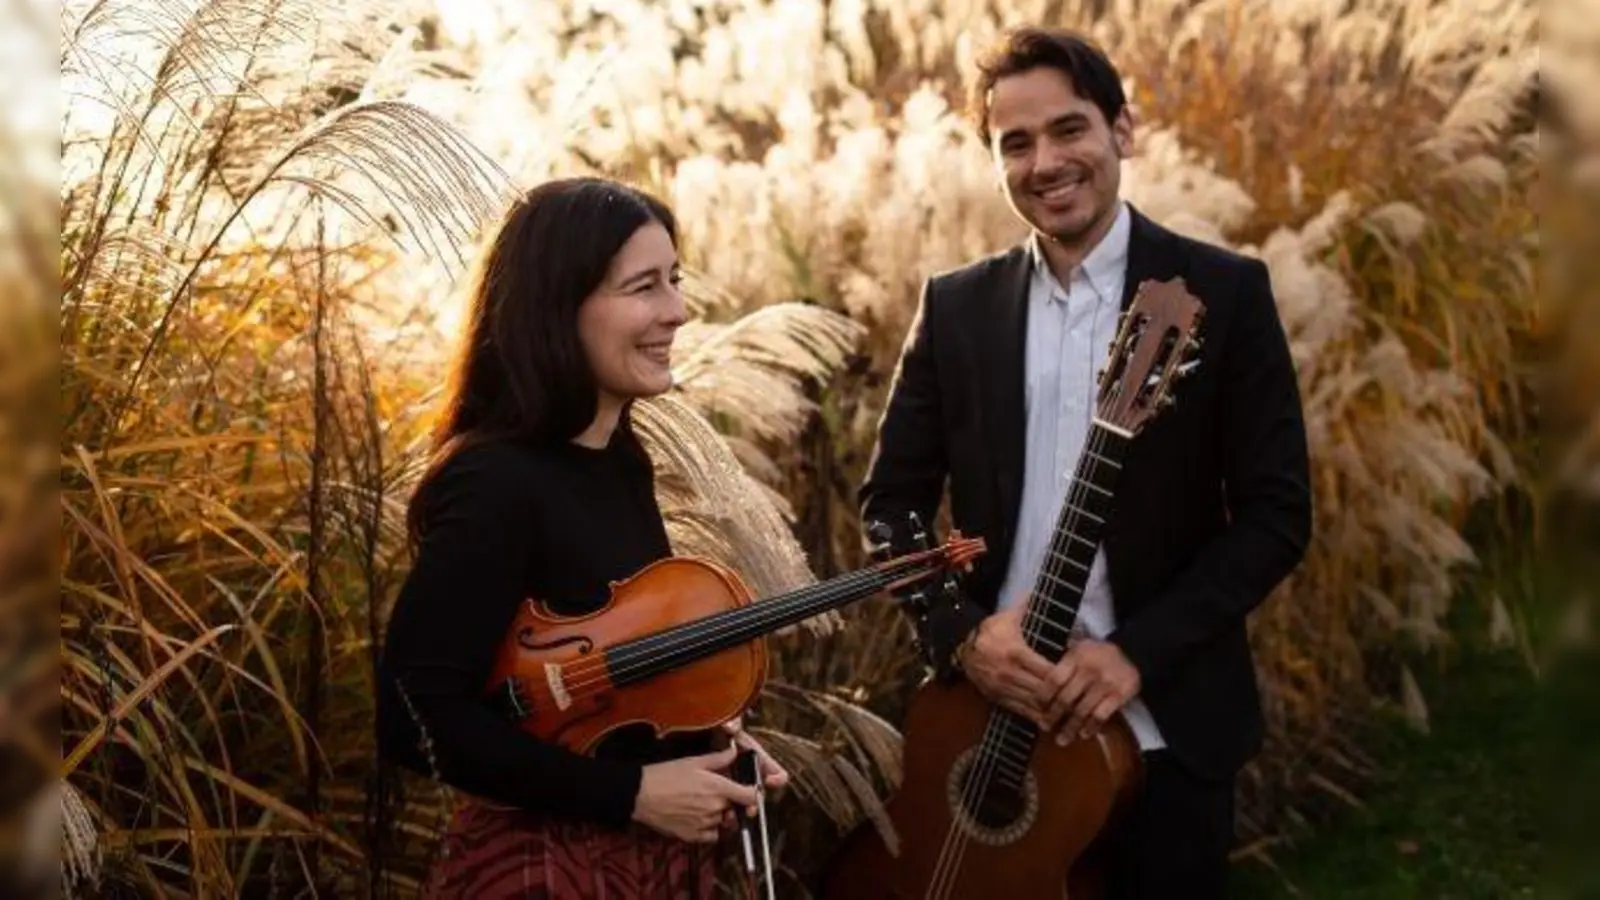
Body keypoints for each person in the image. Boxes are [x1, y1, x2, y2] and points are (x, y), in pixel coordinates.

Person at [857, 26, 1312, 900]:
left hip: (1165, 727)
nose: (1046, 162)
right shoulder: (955, 308)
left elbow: (1276, 515)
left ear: (1122, 132)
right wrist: (962, 639)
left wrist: (1136, 651)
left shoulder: (1223, 292)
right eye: (1014, 143)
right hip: (993, 727)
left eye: (1069, 130)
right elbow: (889, 505)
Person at [376, 176, 787, 900]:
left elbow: (608, 696)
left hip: (641, 865)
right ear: (559, 310)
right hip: (542, 873)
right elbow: (414, 717)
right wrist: (627, 793)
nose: (678, 312)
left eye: (675, 281)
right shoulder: (496, 482)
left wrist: (711, 750)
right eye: (644, 288)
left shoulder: (619, 459)